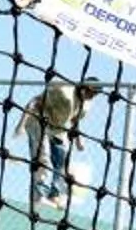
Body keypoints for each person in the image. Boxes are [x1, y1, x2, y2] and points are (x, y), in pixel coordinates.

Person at [20, 78, 105, 208]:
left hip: (56, 127)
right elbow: (36, 100)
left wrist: (78, 141)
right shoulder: (63, 91)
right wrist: (22, 123)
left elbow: (74, 120)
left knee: (62, 160)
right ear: (84, 88)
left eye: (95, 95)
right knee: (43, 159)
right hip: (38, 120)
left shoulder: (85, 105)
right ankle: (38, 196)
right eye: (91, 93)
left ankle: (55, 194)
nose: (92, 97)